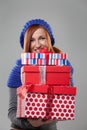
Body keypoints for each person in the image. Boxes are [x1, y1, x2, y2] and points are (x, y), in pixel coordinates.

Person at [7, 19, 74, 130]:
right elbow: (12, 111)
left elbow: (66, 101)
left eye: (42, 38)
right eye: (32, 40)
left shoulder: (62, 65)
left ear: (49, 40)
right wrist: (30, 124)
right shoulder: (19, 69)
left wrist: (52, 115)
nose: (37, 45)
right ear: (27, 44)